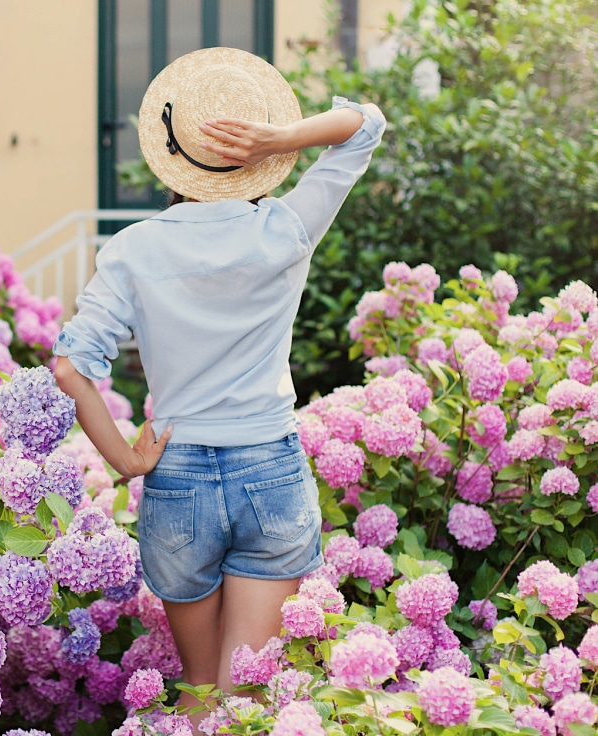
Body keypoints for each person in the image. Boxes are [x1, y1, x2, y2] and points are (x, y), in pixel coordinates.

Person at [51, 47, 385, 712]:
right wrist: (283, 137)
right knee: (245, 702)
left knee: (200, 696)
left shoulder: (133, 251)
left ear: (169, 158)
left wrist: (124, 461)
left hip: (177, 479)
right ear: (259, 160)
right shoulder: (285, 230)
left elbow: (70, 368)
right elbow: (366, 123)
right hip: (270, 468)